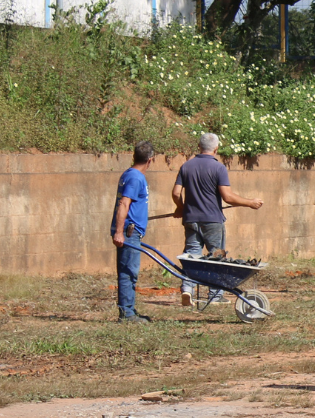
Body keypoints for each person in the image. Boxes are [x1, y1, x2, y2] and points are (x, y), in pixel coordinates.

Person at [172, 133, 263, 307]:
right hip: (212, 220)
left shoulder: (186, 166)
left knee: (192, 255)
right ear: (216, 149)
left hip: (191, 219)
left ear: (199, 147)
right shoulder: (218, 168)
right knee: (216, 256)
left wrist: (181, 208)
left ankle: (187, 289)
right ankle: (215, 296)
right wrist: (250, 203)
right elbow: (227, 197)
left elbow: (176, 193)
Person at [110, 141, 156, 322]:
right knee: (128, 271)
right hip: (129, 232)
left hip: (132, 230)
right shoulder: (135, 178)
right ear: (150, 160)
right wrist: (119, 232)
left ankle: (129, 309)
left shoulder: (131, 175)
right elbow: (124, 204)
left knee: (129, 271)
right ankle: (127, 313)